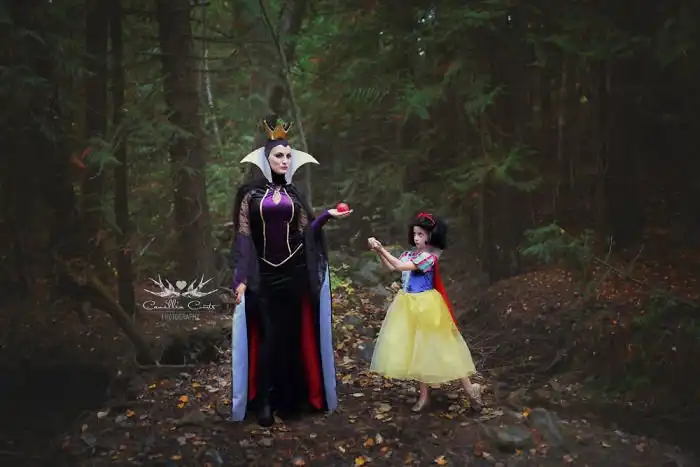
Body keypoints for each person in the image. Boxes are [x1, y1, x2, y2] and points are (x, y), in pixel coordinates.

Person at [230, 115, 352, 427]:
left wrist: (326, 215)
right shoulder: (249, 195)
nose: (285, 161)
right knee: (268, 337)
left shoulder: (294, 195)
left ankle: (290, 401)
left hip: (294, 273)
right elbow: (243, 237)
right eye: (278, 156)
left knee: (292, 336)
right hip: (263, 276)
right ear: (265, 159)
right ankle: (265, 402)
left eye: (288, 156)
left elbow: (306, 233)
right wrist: (240, 278)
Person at [367, 212, 484, 413]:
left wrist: (381, 249)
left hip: (427, 306)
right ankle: (424, 396)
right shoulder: (409, 254)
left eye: (421, 234)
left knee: (445, 346)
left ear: (430, 236)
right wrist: (378, 252)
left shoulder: (429, 258)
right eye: (415, 234)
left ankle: (470, 389)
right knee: (416, 349)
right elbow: (390, 268)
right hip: (408, 305)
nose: (416, 238)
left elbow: (398, 266)